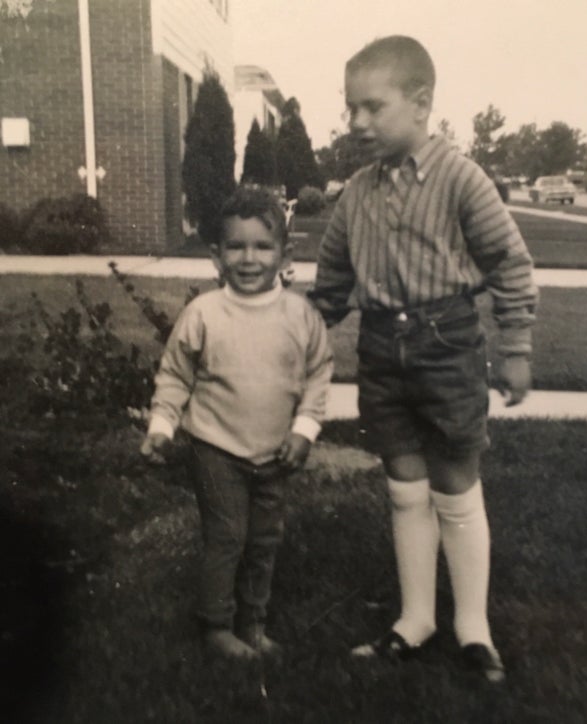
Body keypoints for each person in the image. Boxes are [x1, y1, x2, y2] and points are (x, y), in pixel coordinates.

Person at [308, 36, 538, 682]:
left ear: (421, 104)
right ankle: (415, 621)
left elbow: (511, 265)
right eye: (350, 108)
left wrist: (515, 347)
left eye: (371, 108)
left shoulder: (462, 179)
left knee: (456, 487)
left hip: (448, 347)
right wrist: (294, 333)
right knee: (405, 488)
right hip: (382, 351)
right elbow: (329, 284)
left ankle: (473, 629)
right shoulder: (356, 193)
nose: (356, 123)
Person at [141, 187, 333, 659]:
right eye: (236, 246)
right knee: (227, 536)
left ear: (285, 255)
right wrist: (162, 427)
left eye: (263, 247)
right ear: (216, 256)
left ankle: (253, 623)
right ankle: (216, 626)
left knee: (264, 539)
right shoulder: (204, 314)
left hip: (276, 451)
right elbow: (175, 376)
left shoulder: (300, 316)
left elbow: (318, 375)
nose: (249, 258)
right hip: (216, 448)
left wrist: (304, 430)